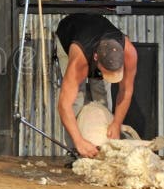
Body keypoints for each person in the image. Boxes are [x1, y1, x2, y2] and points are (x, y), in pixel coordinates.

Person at [55, 13, 137, 158]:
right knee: (76, 101)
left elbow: (126, 90)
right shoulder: (78, 61)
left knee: (102, 95)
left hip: (96, 32)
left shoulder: (129, 53)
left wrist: (117, 123)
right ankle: (75, 152)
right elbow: (64, 105)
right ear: (96, 58)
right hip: (69, 34)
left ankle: (105, 147)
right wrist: (78, 141)